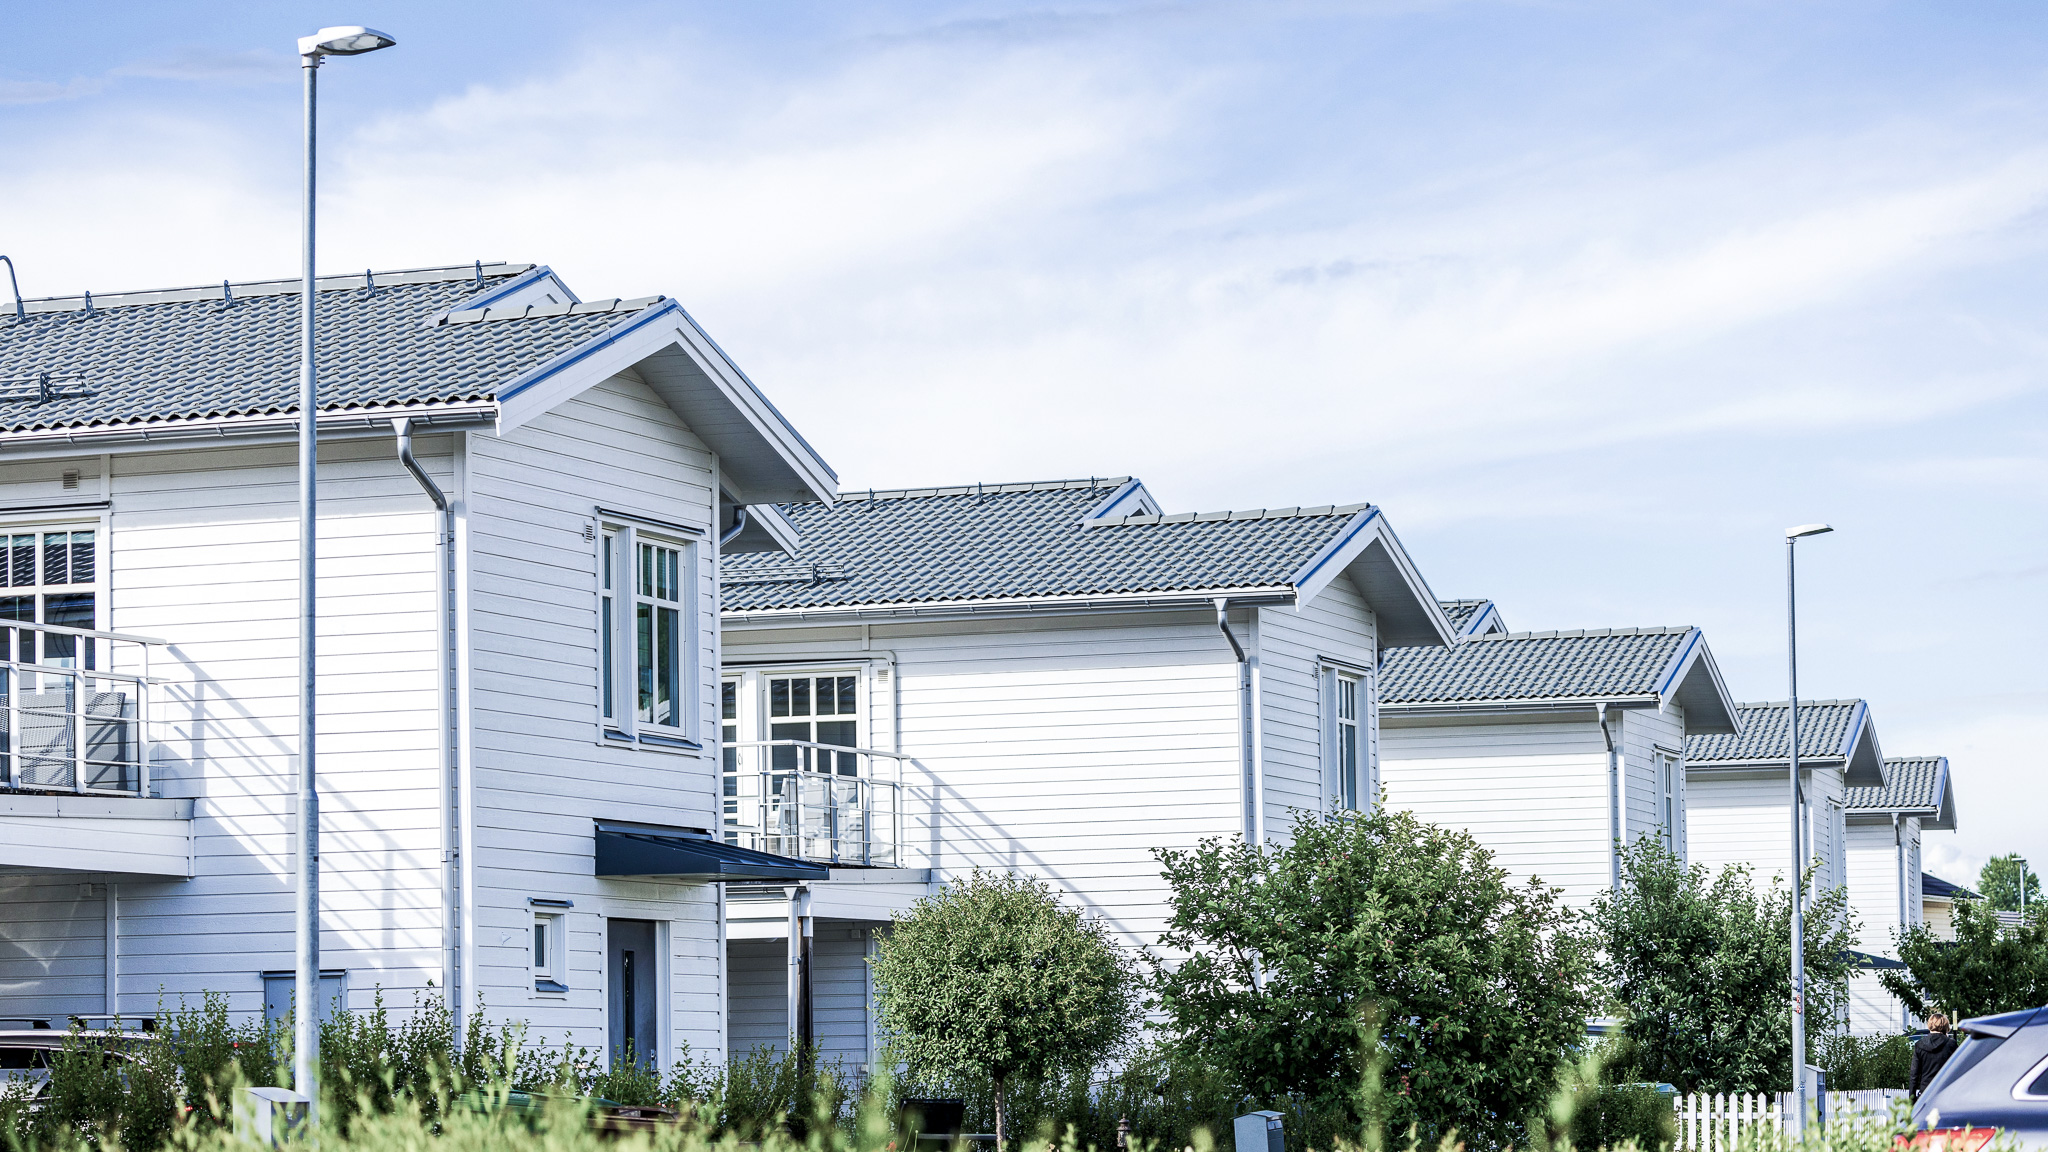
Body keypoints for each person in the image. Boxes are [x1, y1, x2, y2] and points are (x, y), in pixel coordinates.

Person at [1911, 1013, 1959, 1101]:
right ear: (1946, 1026)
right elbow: (1958, 1069)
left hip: (1925, 1093)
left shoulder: (1919, 1045)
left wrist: (1912, 1099)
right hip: (1945, 1092)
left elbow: (1914, 1074)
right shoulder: (1951, 1044)